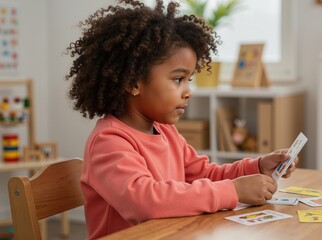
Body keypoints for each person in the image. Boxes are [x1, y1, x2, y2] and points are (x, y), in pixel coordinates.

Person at [65, 0, 299, 239]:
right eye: (178, 79)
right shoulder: (108, 142)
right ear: (133, 83)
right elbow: (146, 202)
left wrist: (256, 166)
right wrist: (233, 191)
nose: (188, 91)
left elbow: (205, 174)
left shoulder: (166, 132)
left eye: (189, 79)